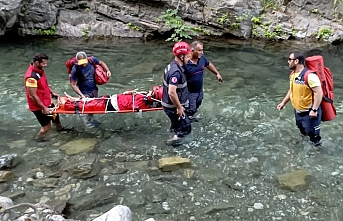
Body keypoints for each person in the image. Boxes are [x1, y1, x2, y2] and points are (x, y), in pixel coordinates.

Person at [277, 52, 323, 146]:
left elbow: (319, 92)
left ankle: (317, 153)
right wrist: (283, 103)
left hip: (310, 113)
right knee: (302, 131)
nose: (288, 61)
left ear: (296, 61)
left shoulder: (310, 76)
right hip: (298, 112)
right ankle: (305, 146)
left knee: (314, 137)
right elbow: (291, 90)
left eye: (290, 59)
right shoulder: (293, 75)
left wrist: (314, 110)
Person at [24, 53, 67, 140]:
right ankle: (38, 140)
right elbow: (32, 95)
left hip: (47, 101)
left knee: (56, 119)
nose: (45, 65)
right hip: (39, 106)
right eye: (43, 63)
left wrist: (52, 93)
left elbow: (44, 85)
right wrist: (43, 108)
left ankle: (60, 130)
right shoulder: (31, 77)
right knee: (46, 127)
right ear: (36, 63)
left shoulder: (40, 71)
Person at [182, 40, 223, 122]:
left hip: (199, 90)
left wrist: (217, 73)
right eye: (199, 50)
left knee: (197, 104)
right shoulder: (185, 63)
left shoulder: (202, 58)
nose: (202, 52)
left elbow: (208, 64)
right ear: (192, 51)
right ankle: (184, 120)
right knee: (191, 108)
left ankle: (189, 117)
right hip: (189, 92)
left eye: (202, 50)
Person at [70, 51, 111, 128]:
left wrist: (107, 70)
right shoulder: (75, 69)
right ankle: (86, 124)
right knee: (86, 109)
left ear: (87, 59)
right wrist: (81, 95)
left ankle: (90, 121)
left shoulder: (92, 60)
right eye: (81, 63)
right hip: (84, 92)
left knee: (92, 108)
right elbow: (73, 85)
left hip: (94, 90)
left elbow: (101, 62)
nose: (83, 64)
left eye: (84, 62)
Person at [162, 41, 192, 143]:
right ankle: (173, 143)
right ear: (181, 56)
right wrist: (179, 107)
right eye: (188, 57)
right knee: (186, 128)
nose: (189, 60)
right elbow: (171, 92)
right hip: (173, 107)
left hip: (169, 105)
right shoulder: (176, 72)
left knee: (175, 124)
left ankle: (173, 133)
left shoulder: (172, 65)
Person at [61, 86, 163, 112]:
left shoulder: (143, 103)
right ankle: (73, 100)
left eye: (153, 92)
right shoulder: (142, 96)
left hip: (108, 105)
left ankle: (67, 104)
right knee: (89, 100)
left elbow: (130, 106)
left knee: (86, 105)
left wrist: (147, 98)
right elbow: (127, 94)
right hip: (110, 99)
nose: (150, 91)